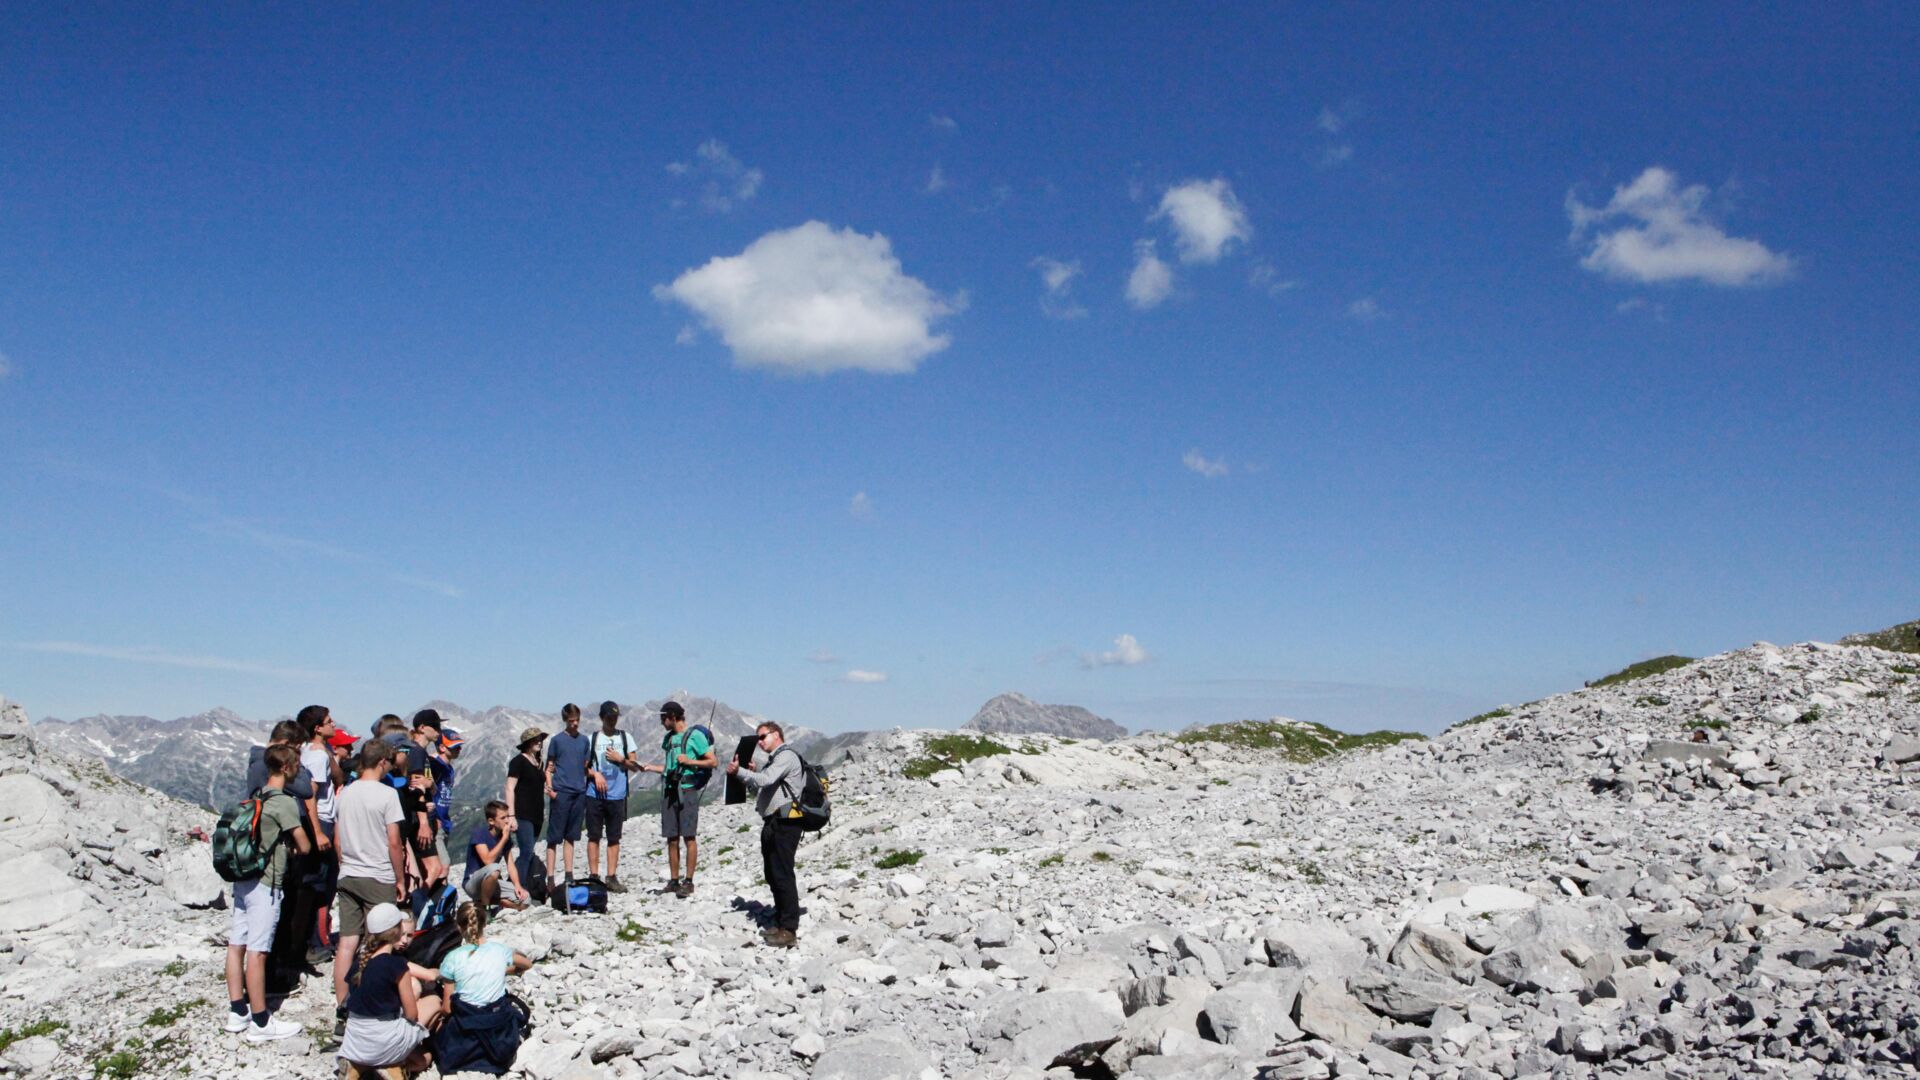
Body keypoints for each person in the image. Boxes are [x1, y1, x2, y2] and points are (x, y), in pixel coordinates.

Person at [223, 744, 312, 1041]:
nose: (298, 769)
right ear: (286, 768)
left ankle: (238, 1010)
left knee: (237, 943)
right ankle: (261, 1021)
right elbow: (305, 845)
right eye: (296, 765)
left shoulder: (257, 795)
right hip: (266, 882)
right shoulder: (284, 802)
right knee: (258, 951)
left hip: (243, 878)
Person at [332, 740, 408, 1031]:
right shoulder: (388, 795)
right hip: (378, 875)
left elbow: (338, 840)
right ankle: (376, 1007)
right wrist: (400, 879)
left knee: (347, 943)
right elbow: (394, 842)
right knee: (382, 943)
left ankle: (343, 1008)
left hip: (348, 873)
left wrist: (346, 865)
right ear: (382, 763)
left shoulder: (345, 793)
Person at [428, 903, 532, 1075]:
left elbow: (447, 1009)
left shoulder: (452, 958)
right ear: (485, 924)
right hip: (498, 1030)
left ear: (458, 926)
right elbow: (527, 964)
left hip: (467, 1028)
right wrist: (505, 970)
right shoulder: (500, 951)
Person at [727, 721, 805, 947]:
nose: (759, 742)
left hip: (786, 822)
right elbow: (762, 786)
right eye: (758, 738)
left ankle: (789, 929)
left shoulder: (786, 757)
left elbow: (766, 780)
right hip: (773, 821)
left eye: (763, 736)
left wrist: (739, 771)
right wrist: (749, 774)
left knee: (782, 874)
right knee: (772, 874)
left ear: (777, 734)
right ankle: (781, 921)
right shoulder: (775, 760)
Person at [339, 903, 441, 1074]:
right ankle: (392, 1065)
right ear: (396, 930)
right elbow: (412, 1014)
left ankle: (360, 1067)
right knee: (433, 1002)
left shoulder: (359, 962)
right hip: (382, 1040)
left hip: (354, 1041)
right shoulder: (396, 965)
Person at [638, 700, 715, 898]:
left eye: (663, 718)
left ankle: (688, 881)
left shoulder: (695, 736)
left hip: (688, 791)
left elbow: (712, 761)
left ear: (672, 716)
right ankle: (674, 880)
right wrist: (650, 767)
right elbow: (668, 767)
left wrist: (689, 761)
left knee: (689, 836)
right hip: (670, 790)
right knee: (672, 837)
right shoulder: (669, 739)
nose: (662, 722)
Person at [584, 700, 637, 891]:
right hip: (594, 794)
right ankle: (594, 876)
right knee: (594, 836)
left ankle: (611, 877)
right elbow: (583, 767)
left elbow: (634, 765)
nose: (612, 721)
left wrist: (619, 759)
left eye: (615, 717)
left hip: (617, 794)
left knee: (614, 837)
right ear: (601, 718)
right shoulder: (592, 739)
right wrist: (595, 774)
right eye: (609, 717)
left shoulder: (625, 738)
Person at [543, 704, 591, 884]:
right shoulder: (556, 741)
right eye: (571, 721)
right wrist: (551, 789)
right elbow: (549, 767)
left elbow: (585, 765)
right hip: (561, 791)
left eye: (577, 720)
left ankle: (569, 875)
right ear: (565, 720)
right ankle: (550, 877)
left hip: (579, 792)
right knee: (554, 837)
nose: (575, 724)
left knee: (571, 836)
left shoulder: (584, 741)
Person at [462, 800, 528, 911]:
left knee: (526, 899)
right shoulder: (479, 834)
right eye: (503, 818)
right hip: (472, 882)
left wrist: (517, 885)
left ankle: (484, 902)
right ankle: (485, 909)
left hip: (491, 881)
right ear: (491, 821)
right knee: (494, 868)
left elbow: (510, 864)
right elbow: (488, 860)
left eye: (507, 816)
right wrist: (504, 839)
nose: (507, 821)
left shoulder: (504, 837)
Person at [504, 727, 547, 891]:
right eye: (535, 739)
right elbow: (509, 787)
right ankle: (518, 888)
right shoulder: (518, 762)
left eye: (540, 739)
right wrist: (511, 815)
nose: (539, 742)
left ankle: (517, 885)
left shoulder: (538, 763)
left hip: (536, 815)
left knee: (528, 852)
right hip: (522, 814)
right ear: (527, 743)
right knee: (526, 852)